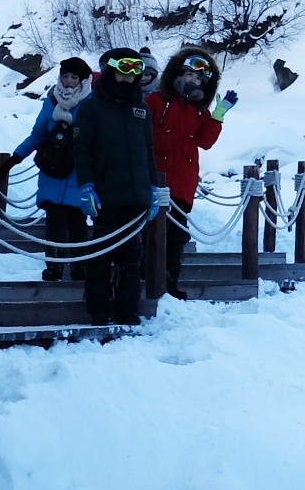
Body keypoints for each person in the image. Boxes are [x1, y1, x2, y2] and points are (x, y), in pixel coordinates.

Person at [72, 47, 165, 326]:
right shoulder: (91, 106)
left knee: (131, 258)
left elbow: (148, 150)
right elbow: (82, 150)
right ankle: (98, 310)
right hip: (104, 194)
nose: (129, 78)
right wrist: (86, 186)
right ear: (111, 70)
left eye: (135, 72)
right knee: (101, 255)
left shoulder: (141, 107)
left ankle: (128, 311)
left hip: (136, 196)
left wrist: (152, 189)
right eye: (123, 71)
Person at [148, 47, 237, 297]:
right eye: (189, 75)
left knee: (176, 237)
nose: (193, 81)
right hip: (155, 180)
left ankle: (170, 281)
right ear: (179, 73)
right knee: (152, 233)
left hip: (183, 184)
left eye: (199, 79)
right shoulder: (156, 101)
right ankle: (147, 276)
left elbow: (205, 142)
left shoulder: (199, 111)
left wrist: (218, 116)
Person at [9, 56, 92, 281]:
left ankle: (79, 266)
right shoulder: (51, 102)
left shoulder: (91, 104)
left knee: (77, 222)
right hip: (52, 171)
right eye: (64, 76)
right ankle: (54, 266)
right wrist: (15, 157)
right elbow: (37, 135)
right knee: (54, 221)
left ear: (83, 80)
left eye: (74, 77)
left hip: (78, 173)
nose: (68, 82)